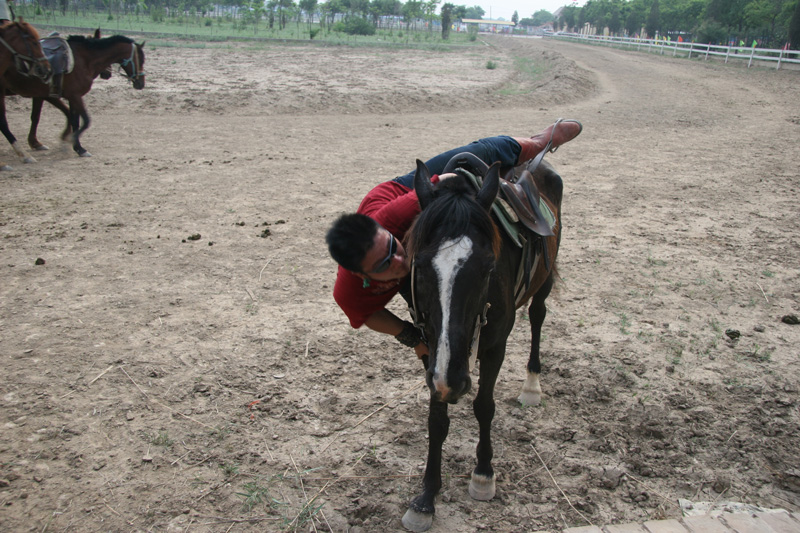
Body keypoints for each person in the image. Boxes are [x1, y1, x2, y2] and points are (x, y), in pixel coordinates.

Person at [325, 119, 582, 357]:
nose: (399, 259)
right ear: (362, 276)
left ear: (389, 235)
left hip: (403, 191)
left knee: (487, 150)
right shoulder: (348, 293)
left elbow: (450, 178)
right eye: (384, 264)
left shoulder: (400, 213)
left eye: (394, 246)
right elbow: (367, 315)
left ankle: (538, 141)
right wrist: (412, 338)